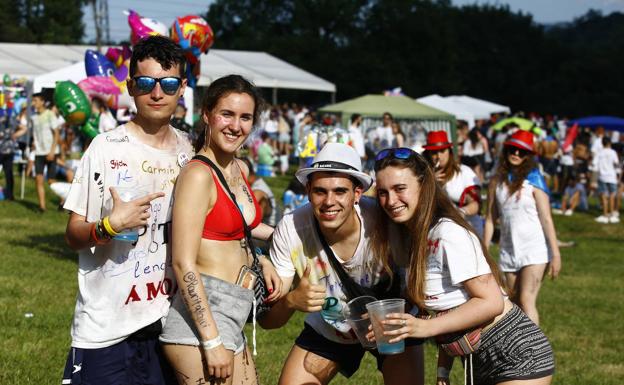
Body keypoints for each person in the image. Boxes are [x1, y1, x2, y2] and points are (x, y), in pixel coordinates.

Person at [61, 35, 194, 385]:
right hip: (107, 327)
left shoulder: (192, 152)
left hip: (171, 325)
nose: (157, 93)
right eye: (146, 83)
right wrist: (105, 227)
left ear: (182, 88)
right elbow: (74, 234)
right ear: (132, 86)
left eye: (167, 84)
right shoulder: (105, 147)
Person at [372, 146, 555, 385]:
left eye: (399, 189)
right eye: (383, 192)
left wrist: (425, 328)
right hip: (478, 361)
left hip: (519, 355)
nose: (390, 200)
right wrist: (443, 371)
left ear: (424, 186)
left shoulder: (447, 233)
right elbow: (450, 309)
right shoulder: (415, 239)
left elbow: (490, 302)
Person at [262, 143, 424, 385]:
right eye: (320, 191)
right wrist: (291, 301)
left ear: (356, 193)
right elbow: (268, 322)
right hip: (331, 328)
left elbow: (422, 279)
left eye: (340, 191)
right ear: (308, 191)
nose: (329, 201)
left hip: (392, 326)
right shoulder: (292, 228)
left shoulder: (384, 221)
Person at [159, 74, 282, 385]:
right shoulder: (198, 175)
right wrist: (212, 341)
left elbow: (243, 227)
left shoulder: (236, 168)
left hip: (234, 310)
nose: (235, 125)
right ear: (207, 115)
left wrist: (264, 255)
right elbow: (182, 262)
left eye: (245, 117)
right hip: (200, 321)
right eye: (227, 114)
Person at [484, 130, 561, 325]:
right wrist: (483, 250)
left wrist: (556, 254)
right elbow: (491, 219)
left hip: (534, 249)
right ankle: (520, 350)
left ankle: (535, 352)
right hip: (509, 250)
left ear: (528, 156)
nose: (516, 154)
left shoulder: (534, 181)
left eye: (522, 151)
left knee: (527, 300)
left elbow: (546, 219)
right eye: (513, 149)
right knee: (514, 303)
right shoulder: (496, 181)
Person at [423, 130, 483, 236]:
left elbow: (476, 204)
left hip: (467, 229)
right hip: (438, 232)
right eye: (434, 152)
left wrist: (461, 212)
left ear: (449, 152)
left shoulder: (463, 172)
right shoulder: (425, 176)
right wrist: (430, 183)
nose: (438, 156)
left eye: (442, 151)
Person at [31, 93, 61, 212]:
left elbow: (57, 134)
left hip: (50, 152)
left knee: (51, 181)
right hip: (39, 152)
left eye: (36, 101)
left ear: (42, 102)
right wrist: (34, 143)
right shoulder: (34, 117)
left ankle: (64, 200)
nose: (34, 103)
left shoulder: (50, 115)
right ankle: (42, 207)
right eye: (33, 101)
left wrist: (52, 151)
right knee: (38, 179)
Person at [0, 111, 27, 201]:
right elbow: (24, 129)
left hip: (8, 151)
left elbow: (24, 128)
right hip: (7, 150)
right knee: (9, 174)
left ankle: (10, 195)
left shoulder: (11, 120)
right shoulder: (12, 119)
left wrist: (14, 135)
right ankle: (9, 195)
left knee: (9, 174)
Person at [592, 137, 620, 223]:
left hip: (602, 176)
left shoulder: (599, 153)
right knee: (612, 195)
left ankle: (605, 215)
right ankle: (612, 214)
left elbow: (594, 164)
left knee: (604, 196)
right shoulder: (613, 152)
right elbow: (616, 163)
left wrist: (593, 179)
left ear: (602, 143)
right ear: (610, 143)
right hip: (612, 176)